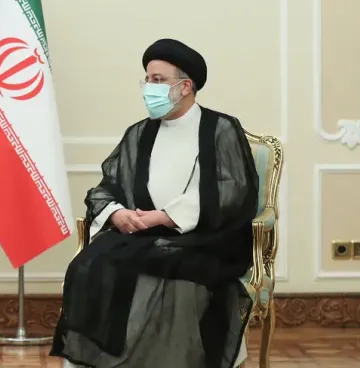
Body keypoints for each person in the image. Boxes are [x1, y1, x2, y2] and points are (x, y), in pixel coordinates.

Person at [50, 39, 257, 368]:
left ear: (185, 86)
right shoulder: (138, 134)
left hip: (203, 238)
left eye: (158, 80)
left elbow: (232, 189)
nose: (149, 88)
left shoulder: (220, 129)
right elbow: (108, 186)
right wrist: (118, 214)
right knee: (89, 265)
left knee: (177, 274)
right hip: (140, 234)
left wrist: (164, 217)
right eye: (147, 79)